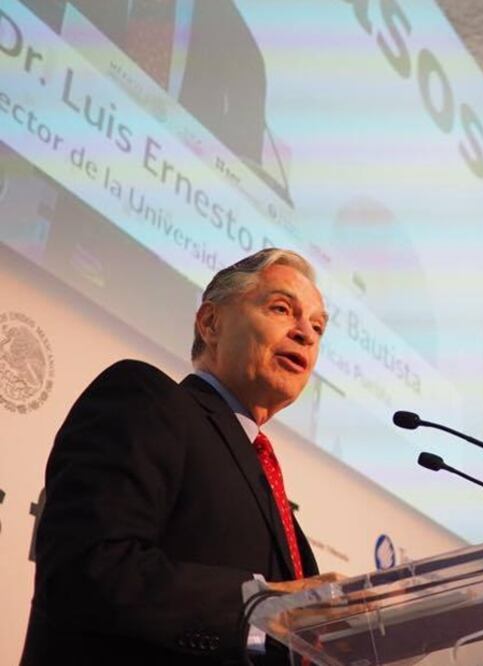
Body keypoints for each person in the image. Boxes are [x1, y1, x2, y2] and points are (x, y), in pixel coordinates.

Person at [21, 248, 330, 665]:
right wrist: (262, 606)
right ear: (210, 322)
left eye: (317, 327)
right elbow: (86, 567)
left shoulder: (269, 487)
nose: (306, 335)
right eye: (281, 309)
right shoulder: (146, 399)